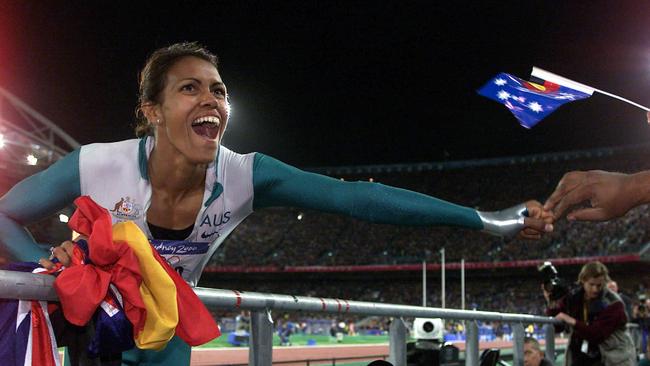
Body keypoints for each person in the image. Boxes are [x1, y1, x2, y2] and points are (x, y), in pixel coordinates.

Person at [0, 42, 552, 365]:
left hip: (168, 335)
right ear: (152, 110)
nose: (211, 98)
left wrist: (481, 220)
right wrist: (43, 270)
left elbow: (359, 200)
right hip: (92, 328)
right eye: (190, 88)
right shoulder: (97, 165)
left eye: (218, 89)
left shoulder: (246, 175)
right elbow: (4, 212)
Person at [544, 261, 635, 365]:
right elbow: (557, 326)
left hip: (612, 357)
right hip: (582, 355)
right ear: (583, 281)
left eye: (599, 285)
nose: (595, 289)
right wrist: (551, 302)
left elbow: (596, 334)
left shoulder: (613, 303)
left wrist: (571, 320)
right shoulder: (574, 298)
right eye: (591, 284)